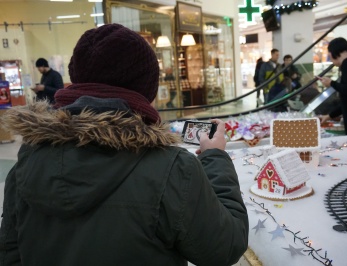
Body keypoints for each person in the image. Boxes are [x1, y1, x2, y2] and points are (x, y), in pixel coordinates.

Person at [0, 24, 249, 265]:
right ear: (146, 88)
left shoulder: (26, 164)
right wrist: (215, 157)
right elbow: (224, 247)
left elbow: (11, 254)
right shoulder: (172, 169)